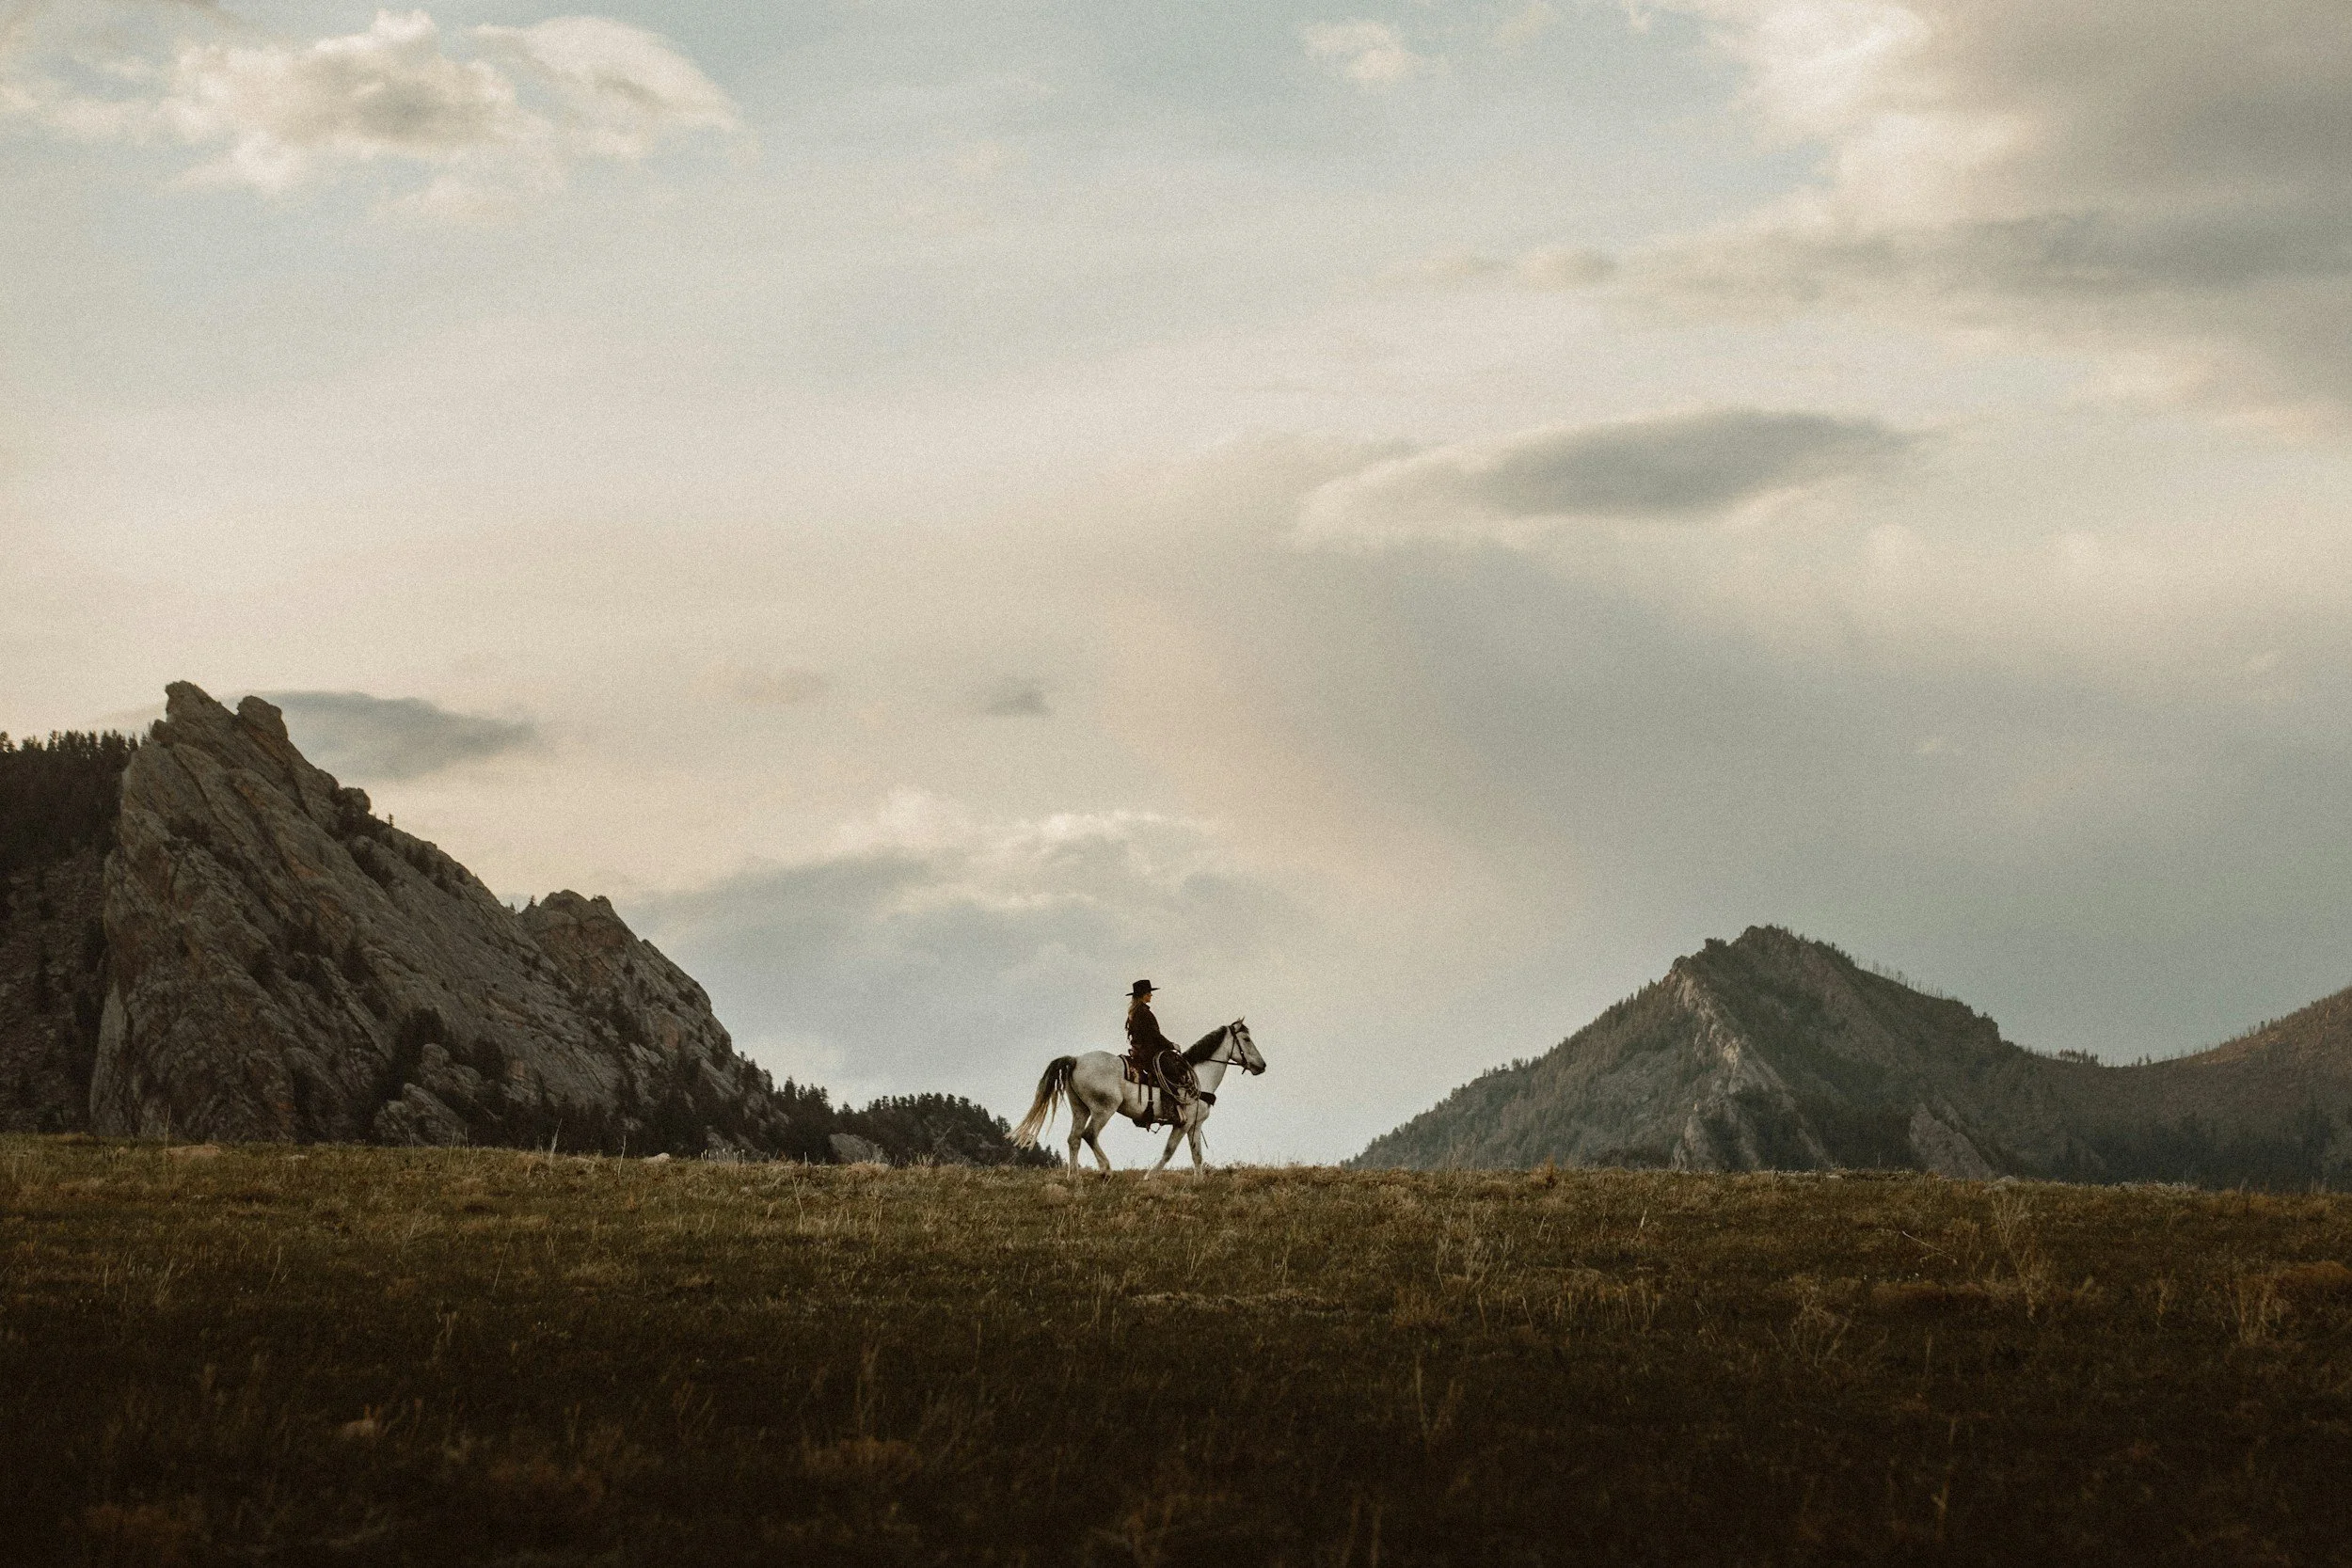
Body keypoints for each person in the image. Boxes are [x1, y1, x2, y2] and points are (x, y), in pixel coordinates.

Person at [1124, 980, 1193, 1125]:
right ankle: (1169, 1112)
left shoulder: (1135, 1012)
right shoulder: (1144, 1013)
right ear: (1143, 995)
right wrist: (1171, 1045)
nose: (1151, 995)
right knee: (1172, 1072)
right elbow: (1155, 1035)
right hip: (1149, 1053)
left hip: (1141, 1051)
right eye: (1148, 993)